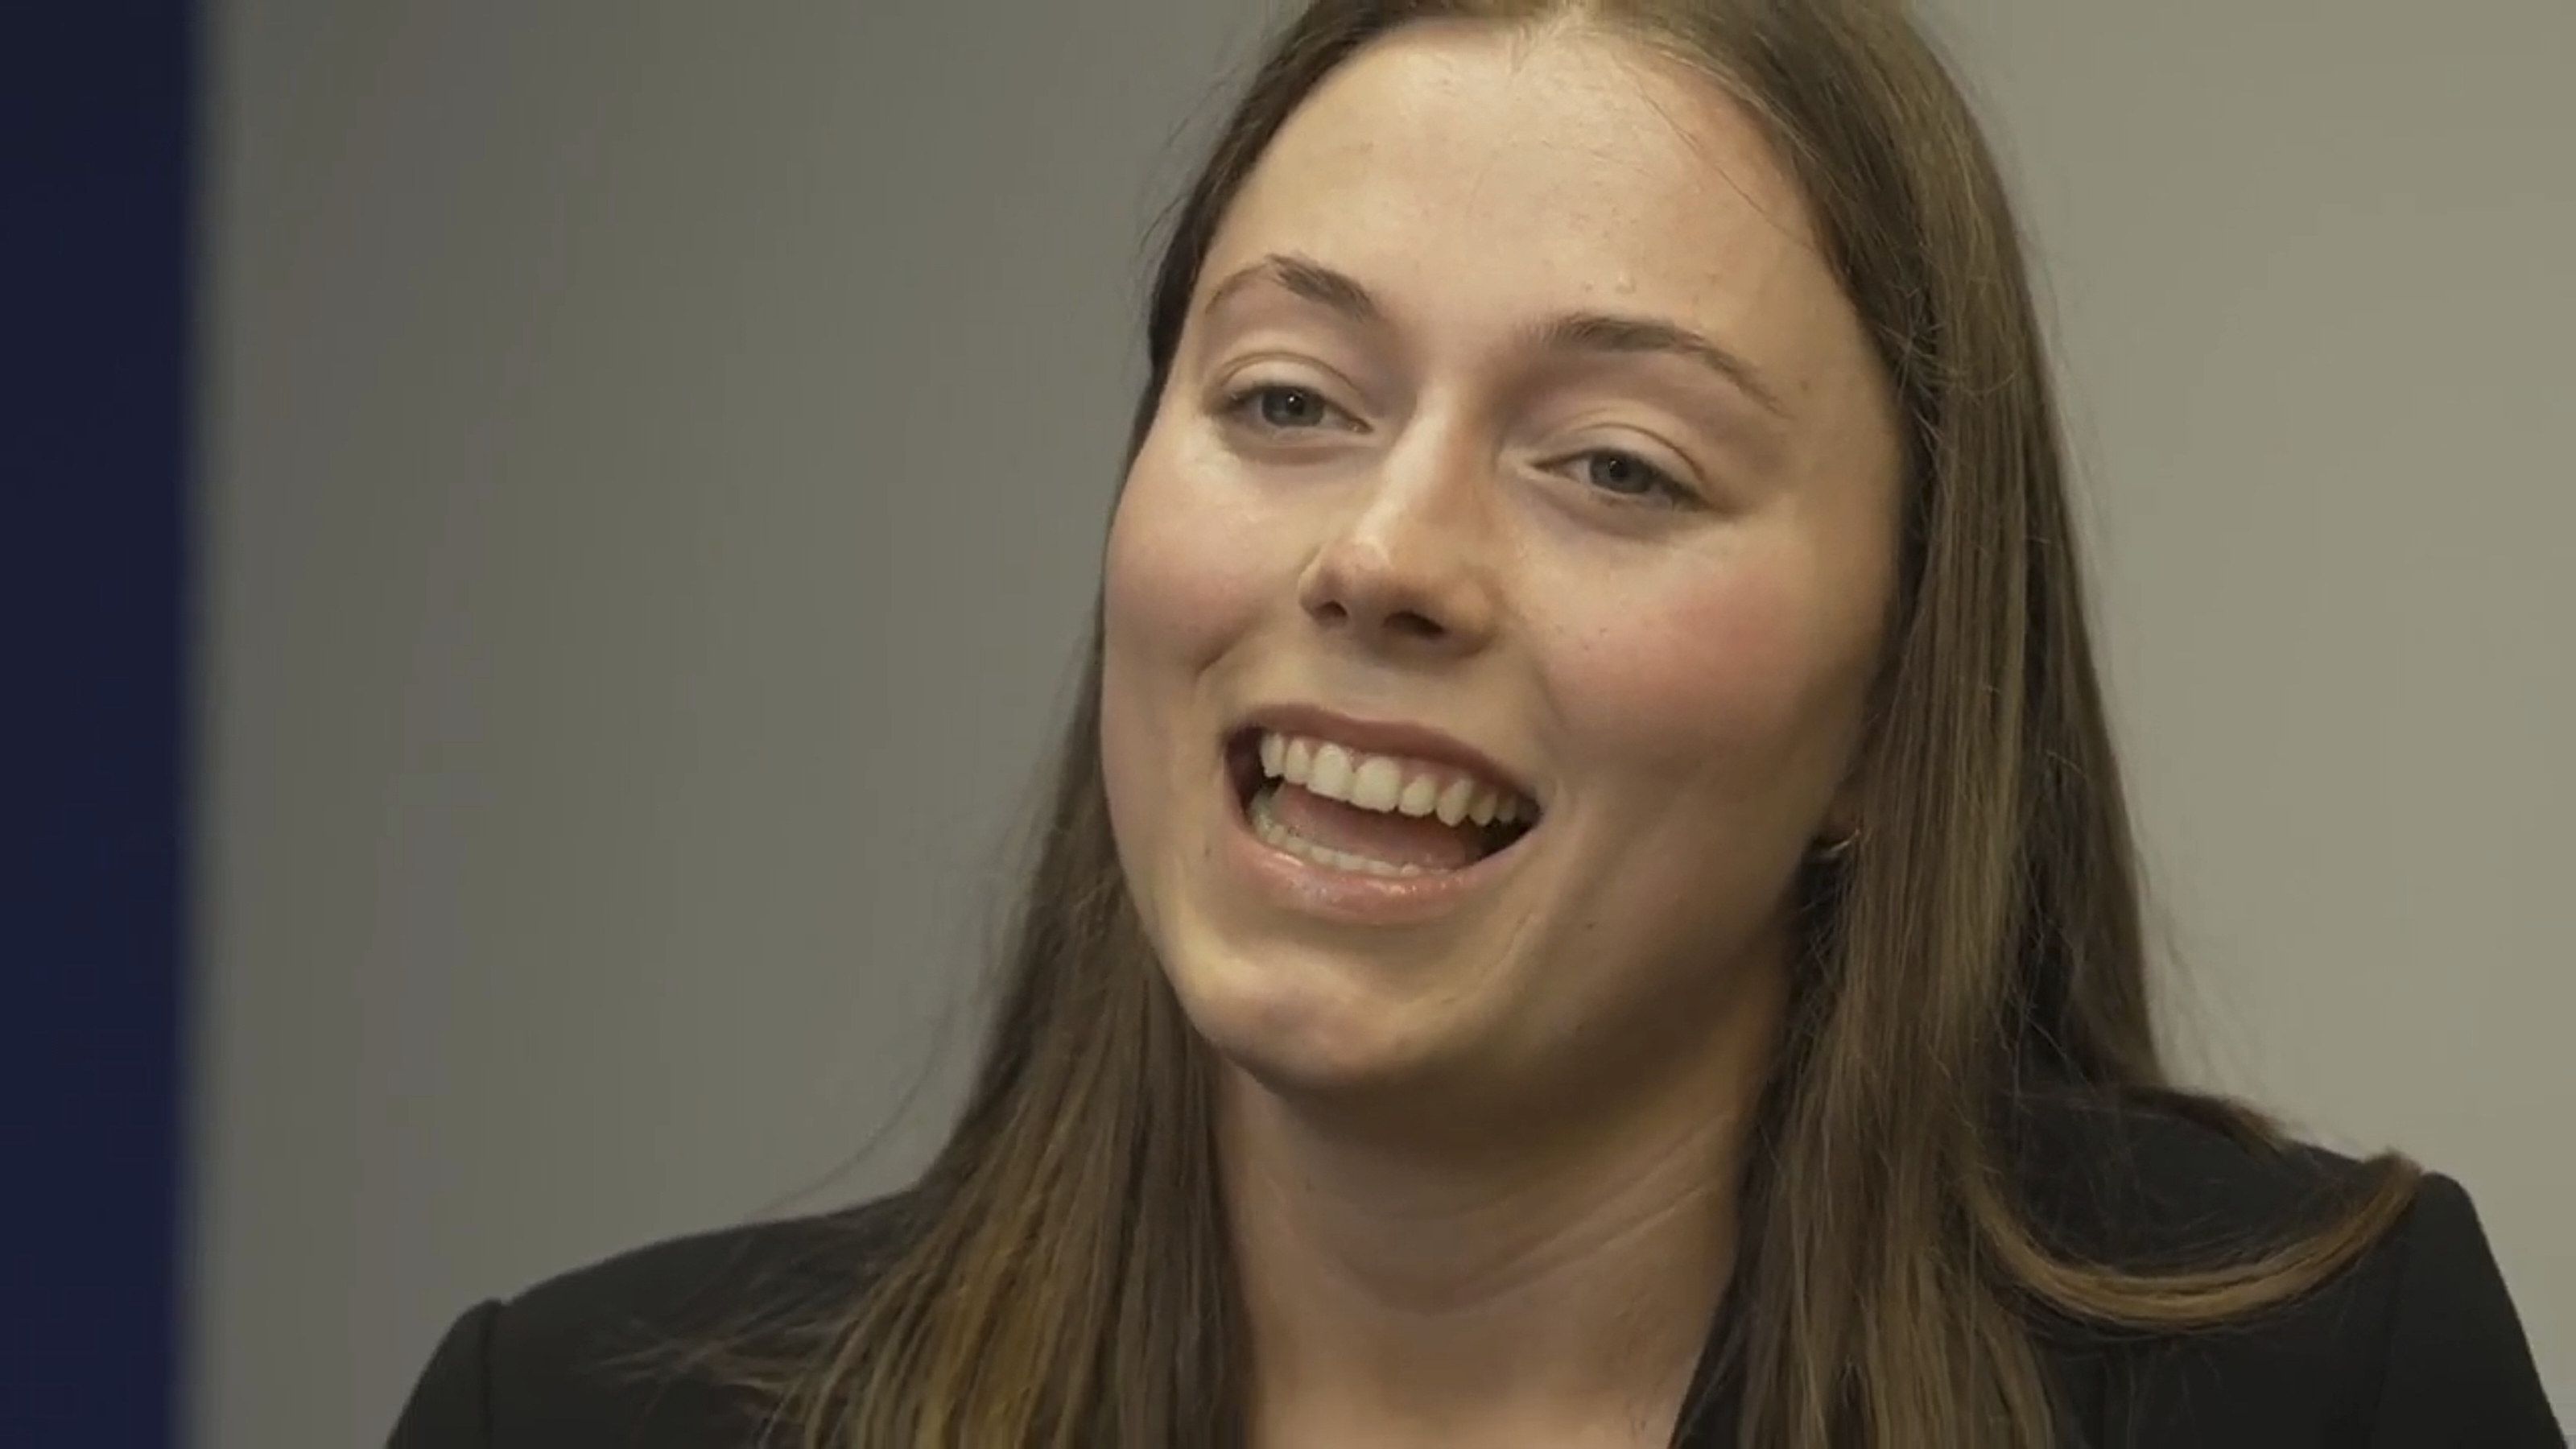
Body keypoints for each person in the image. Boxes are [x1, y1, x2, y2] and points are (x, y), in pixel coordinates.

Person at [389, 2, 2564, 1445]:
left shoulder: (2314, 1394)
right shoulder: (569, 1418)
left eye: (1617, 462)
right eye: (1288, 401)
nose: (1385, 556)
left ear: (1905, 709)